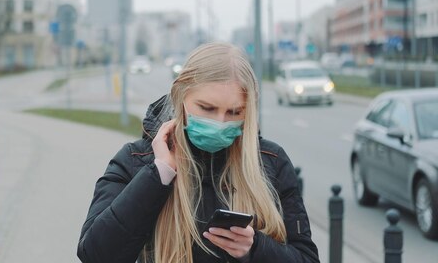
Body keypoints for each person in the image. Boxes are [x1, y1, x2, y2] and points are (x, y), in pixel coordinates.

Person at [77, 42, 319, 263]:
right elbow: (96, 255)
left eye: (234, 112)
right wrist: (159, 173)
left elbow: (306, 257)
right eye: (207, 108)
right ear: (180, 96)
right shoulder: (136, 161)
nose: (220, 122)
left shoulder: (270, 162)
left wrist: (255, 248)